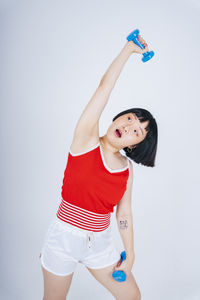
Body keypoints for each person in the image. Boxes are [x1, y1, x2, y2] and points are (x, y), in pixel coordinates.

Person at [39, 33, 158, 300]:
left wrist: (131, 252)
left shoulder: (127, 169)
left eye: (136, 131)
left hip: (100, 244)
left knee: (131, 296)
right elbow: (103, 89)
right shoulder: (86, 139)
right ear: (117, 117)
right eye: (129, 118)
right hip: (63, 239)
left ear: (135, 145)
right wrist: (127, 50)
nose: (128, 126)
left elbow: (124, 212)